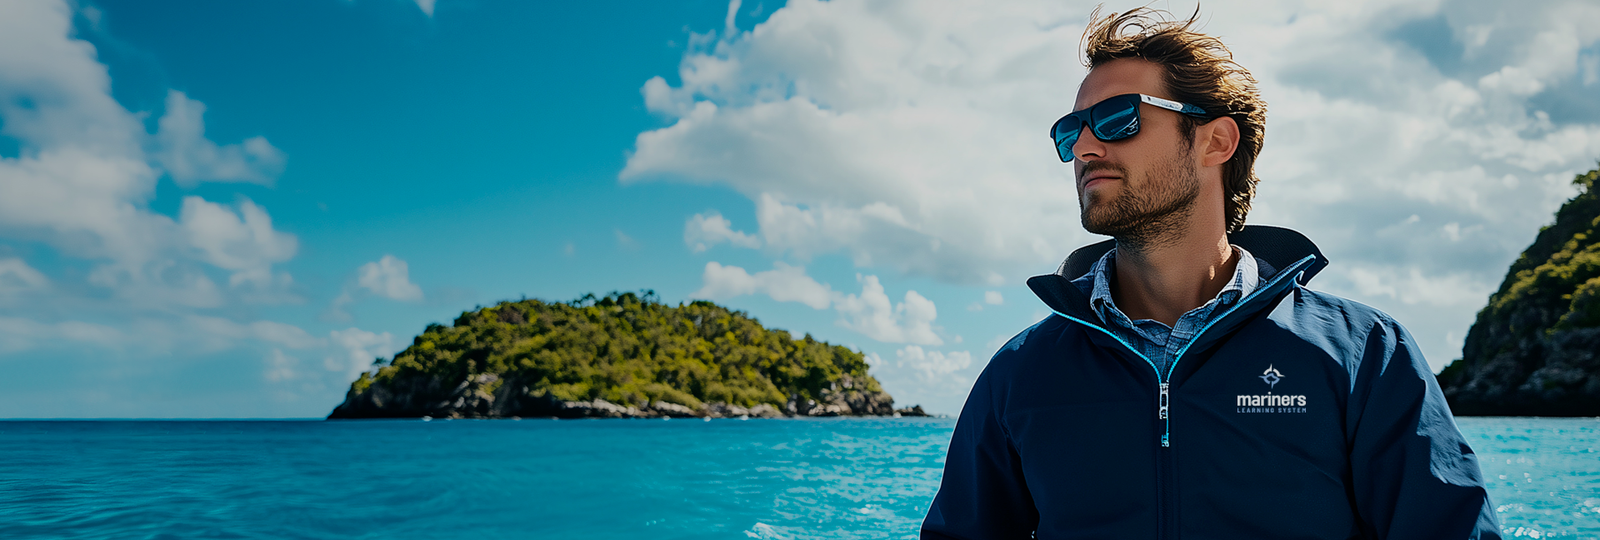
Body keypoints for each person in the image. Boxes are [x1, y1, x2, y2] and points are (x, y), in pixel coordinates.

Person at [921, 7, 1501, 540]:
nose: (1085, 148)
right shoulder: (1021, 374)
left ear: (1215, 141)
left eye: (1118, 119)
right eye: (1070, 132)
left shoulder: (1364, 354)